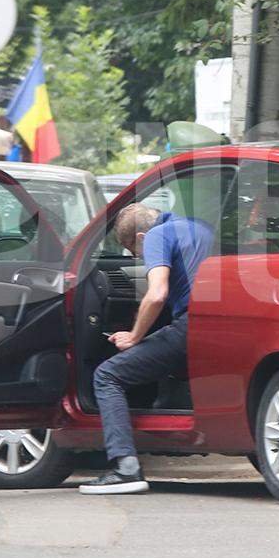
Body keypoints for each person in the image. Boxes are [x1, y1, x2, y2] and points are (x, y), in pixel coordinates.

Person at [80, 201, 214, 495]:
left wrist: (134, 336)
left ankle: (125, 467)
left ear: (139, 238)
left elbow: (157, 294)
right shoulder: (200, 227)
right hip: (222, 325)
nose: (134, 257)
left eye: (132, 251)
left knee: (107, 375)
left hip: (192, 327)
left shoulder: (156, 236)